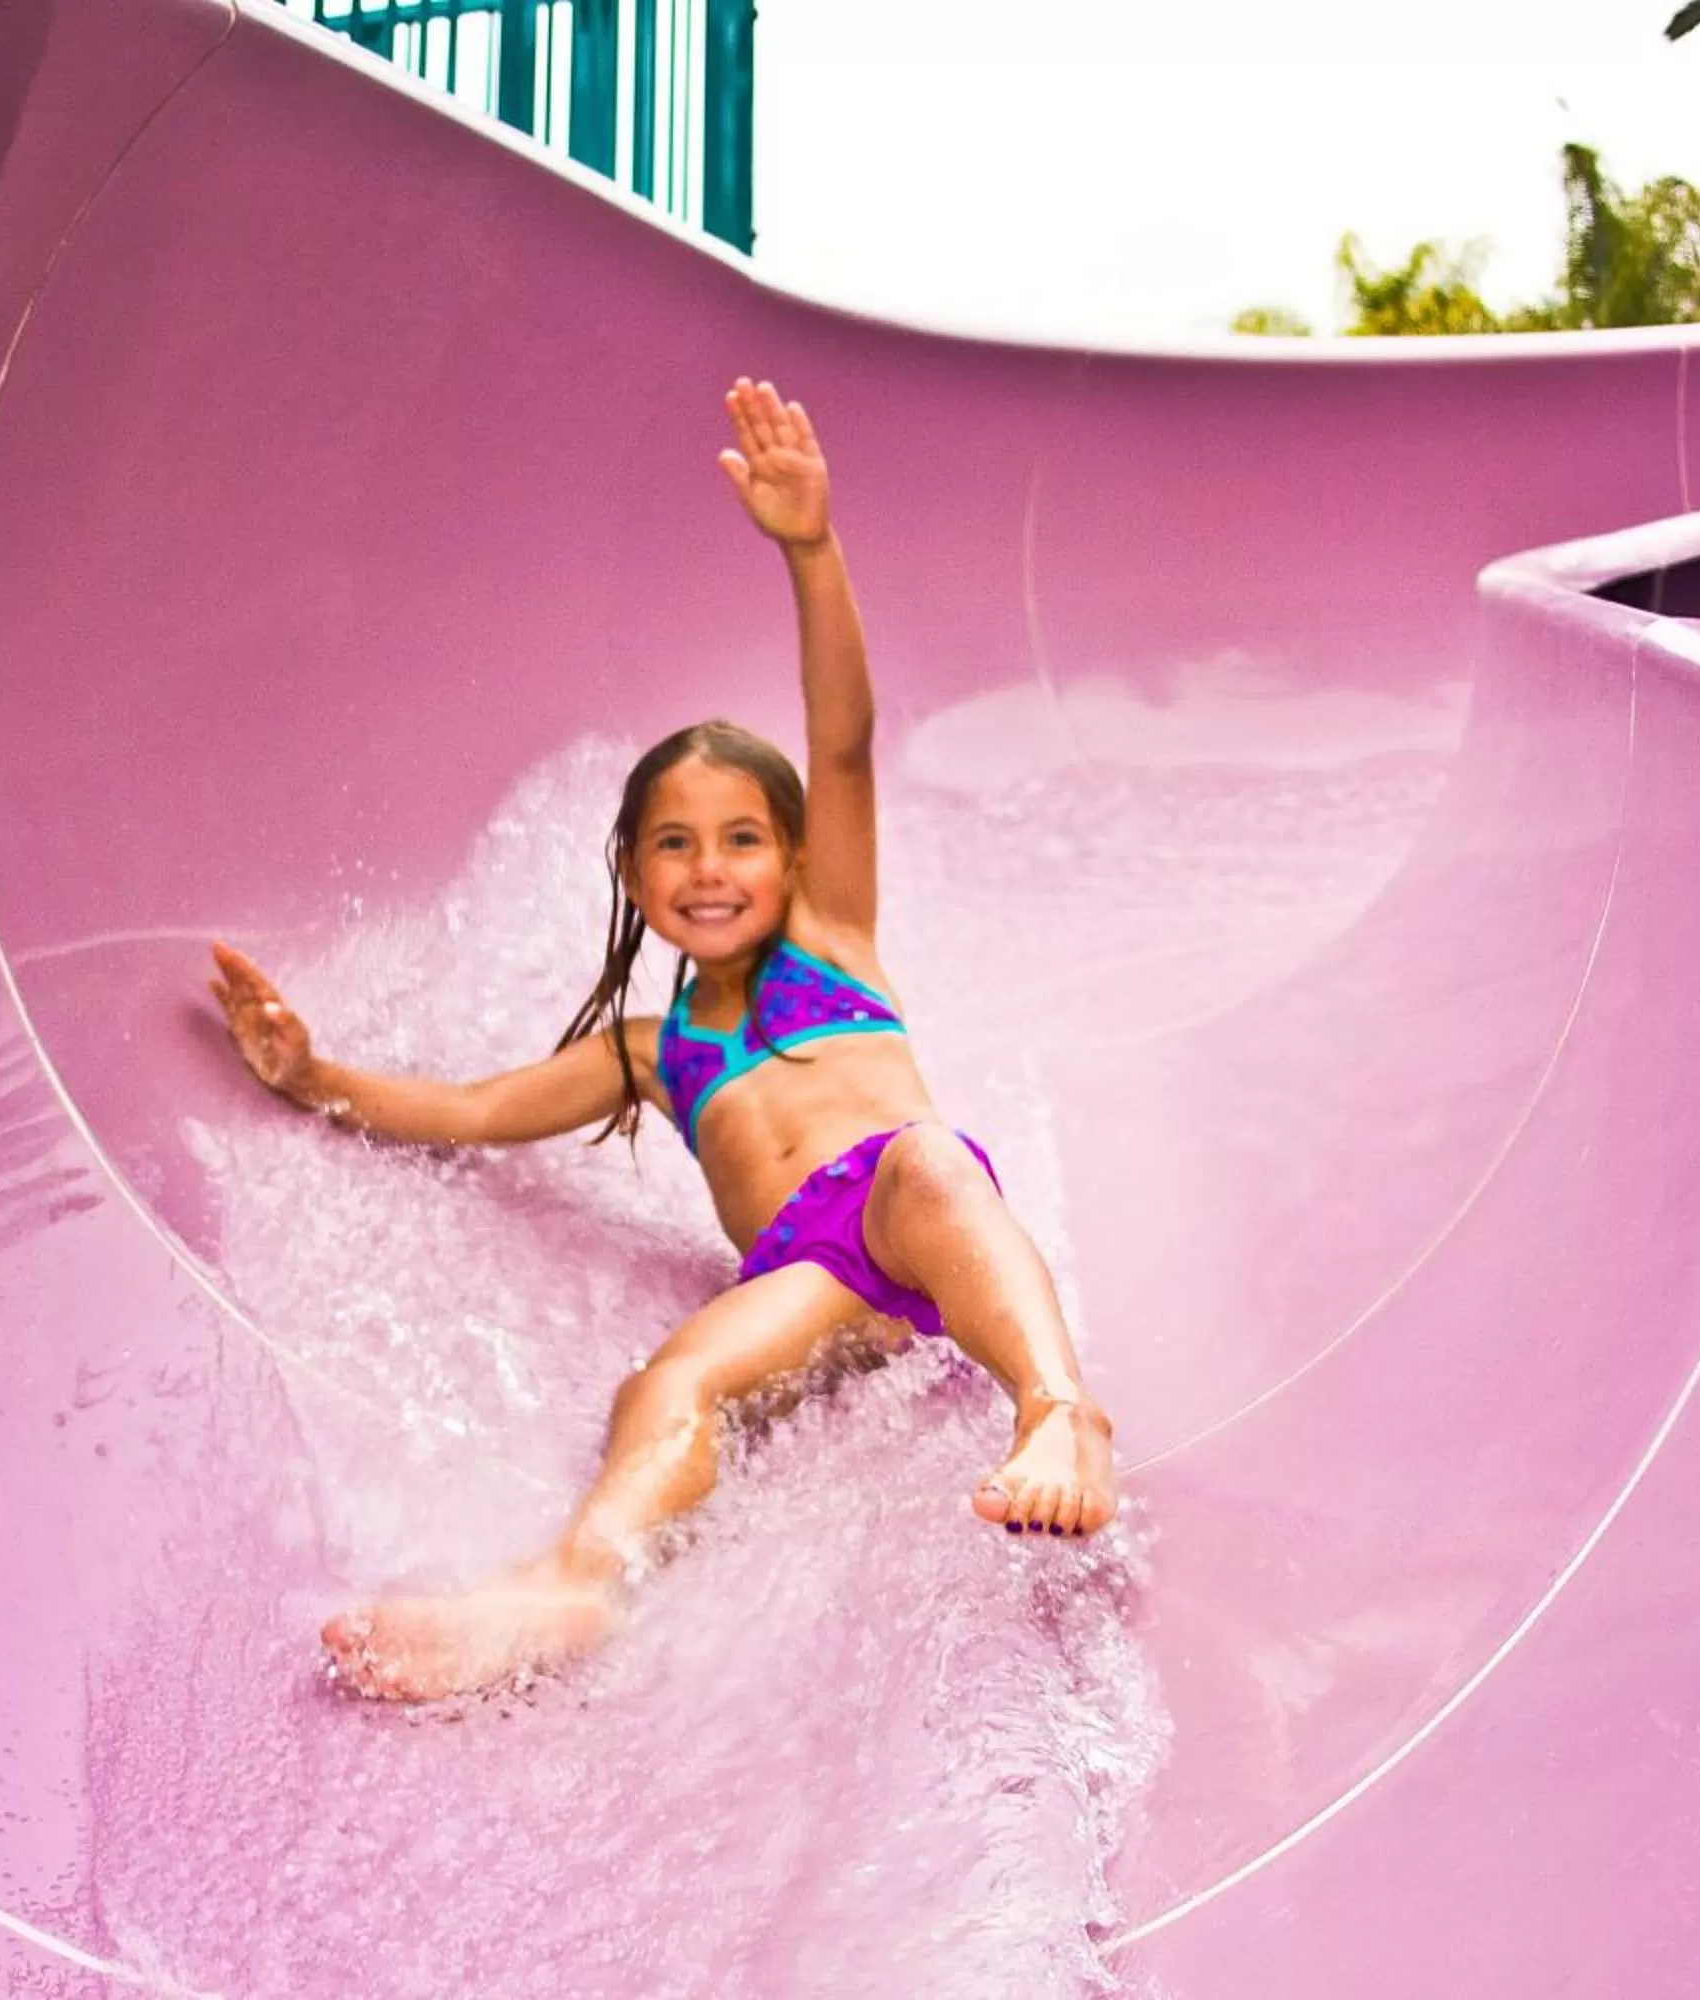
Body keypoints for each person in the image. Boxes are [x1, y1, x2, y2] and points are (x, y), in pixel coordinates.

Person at [209, 379, 1118, 1703]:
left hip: (909, 1209)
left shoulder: (834, 937)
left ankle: (1059, 1415)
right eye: (673, 844)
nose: (710, 868)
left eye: (743, 838)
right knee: (672, 1375)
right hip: (815, 1278)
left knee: (925, 1158)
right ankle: (576, 1583)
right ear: (632, 875)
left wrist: (811, 550)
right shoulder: (654, 1051)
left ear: (794, 856)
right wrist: (315, 1076)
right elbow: (472, 1114)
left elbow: (846, 740)